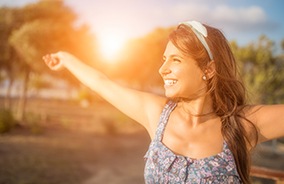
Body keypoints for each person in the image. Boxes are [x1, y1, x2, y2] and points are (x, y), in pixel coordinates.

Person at [43, 20, 284, 184]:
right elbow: (103, 83)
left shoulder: (242, 125)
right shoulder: (156, 113)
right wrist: (65, 59)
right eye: (164, 59)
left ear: (208, 69)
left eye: (175, 60)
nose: (162, 69)